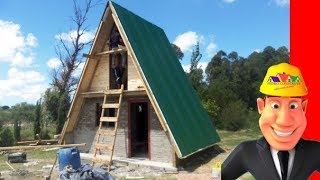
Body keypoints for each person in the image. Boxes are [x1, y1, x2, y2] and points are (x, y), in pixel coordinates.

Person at [222, 63, 320, 180]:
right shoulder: (247, 151)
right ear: (261, 106)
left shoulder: (315, 151)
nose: (284, 121)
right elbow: (218, 176)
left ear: (303, 108)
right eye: (275, 105)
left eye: (293, 106)